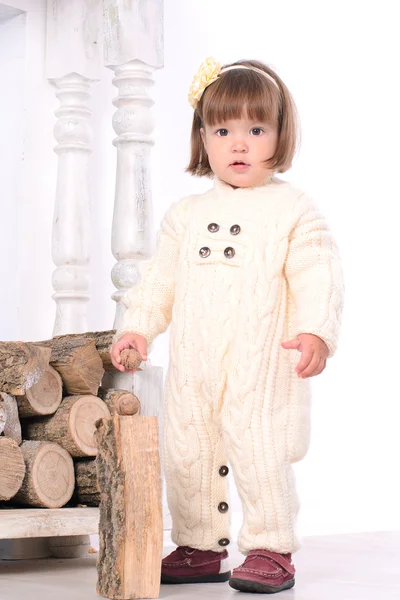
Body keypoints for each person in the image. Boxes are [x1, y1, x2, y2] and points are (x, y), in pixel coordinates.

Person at [110, 57, 345, 594]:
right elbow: (158, 283)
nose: (239, 144)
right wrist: (138, 328)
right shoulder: (185, 215)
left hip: (260, 364)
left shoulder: (294, 210)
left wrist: (316, 331)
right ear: (203, 138)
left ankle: (270, 546)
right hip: (195, 364)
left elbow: (318, 273)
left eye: (256, 129)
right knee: (187, 447)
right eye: (223, 130)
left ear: (280, 135)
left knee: (259, 447)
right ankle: (197, 543)